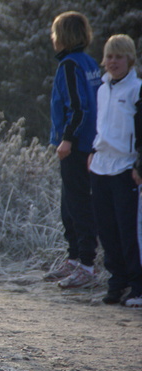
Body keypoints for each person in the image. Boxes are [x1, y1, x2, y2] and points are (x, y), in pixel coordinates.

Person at [45, 11, 101, 289]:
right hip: (90, 145)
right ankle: (74, 259)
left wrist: (67, 139)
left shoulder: (69, 65)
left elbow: (78, 108)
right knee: (69, 204)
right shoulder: (90, 62)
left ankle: (87, 266)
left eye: (55, 33)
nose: (53, 38)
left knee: (78, 206)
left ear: (64, 36)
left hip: (77, 147)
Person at [89, 34, 142, 307]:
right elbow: (101, 125)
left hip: (126, 169)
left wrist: (139, 165)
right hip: (101, 167)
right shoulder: (101, 88)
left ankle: (137, 287)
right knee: (107, 231)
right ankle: (116, 283)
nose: (113, 62)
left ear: (129, 59)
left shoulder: (137, 89)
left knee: (128, 230)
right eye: (109, 56)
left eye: (118, 56)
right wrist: (93, 152)